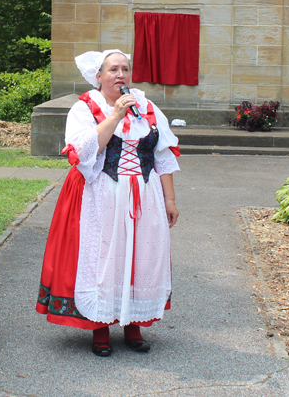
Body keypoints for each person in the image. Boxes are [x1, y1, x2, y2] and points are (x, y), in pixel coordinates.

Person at [36, 49, 180, 357]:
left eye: (125, 69)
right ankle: (99, 329)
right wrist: (115, 114)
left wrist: (170, 199)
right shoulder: (86, 108)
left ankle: (133, 326)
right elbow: (83, 152)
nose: (120, 75)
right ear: (99, 76)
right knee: (103, 257)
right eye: (113, 69)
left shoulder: (148, 107)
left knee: (140, 257)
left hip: (144, 195)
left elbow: (163, 155)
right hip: (100, 192)